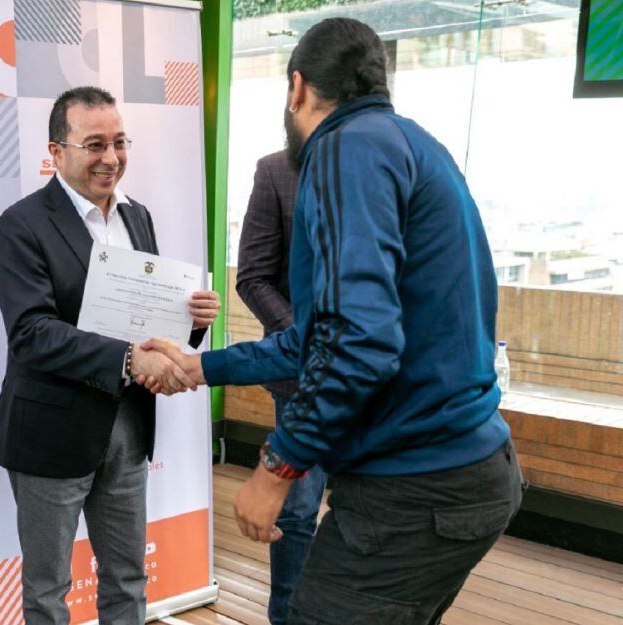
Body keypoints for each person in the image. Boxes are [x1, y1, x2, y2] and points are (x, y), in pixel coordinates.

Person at [140, 18, 523, 625]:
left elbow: (357, 342)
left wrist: (277, 467)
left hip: (414, 488)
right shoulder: (415, 143)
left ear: (297, 88)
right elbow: (324, 335)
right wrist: (200, 367)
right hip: (470, 473)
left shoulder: (345, 150)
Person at [0, 86, 219, 625]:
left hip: (129, 426)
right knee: (47, 592)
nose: (111, 158)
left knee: (127, 579)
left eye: (119, 142)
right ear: (56, 151)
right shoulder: (21, 224)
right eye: (94, 144)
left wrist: (190, 322)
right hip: (51, 435)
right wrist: (129, 360)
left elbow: (145, 320)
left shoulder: (138, 217)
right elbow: (31, 333)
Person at [236, 150, 326, 625]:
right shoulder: (276, 170)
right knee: (297, 512)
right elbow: (253, 277)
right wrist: (307, 338)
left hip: (380, 384)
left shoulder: (384, 164)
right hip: (298, 376)